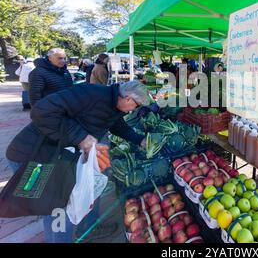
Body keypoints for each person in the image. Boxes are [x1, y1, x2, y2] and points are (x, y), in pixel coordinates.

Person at [6, 80, 152, 243]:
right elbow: (41, 111)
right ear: (128, 99)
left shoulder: (114, 106)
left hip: (60, 155)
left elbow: (117, 125)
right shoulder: (90, 94)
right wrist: (81, 137)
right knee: (56, 208)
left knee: (61, 204)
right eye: (137, 105)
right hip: (36, 153)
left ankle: (86, 229)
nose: (135, 110)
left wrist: (139, 140)